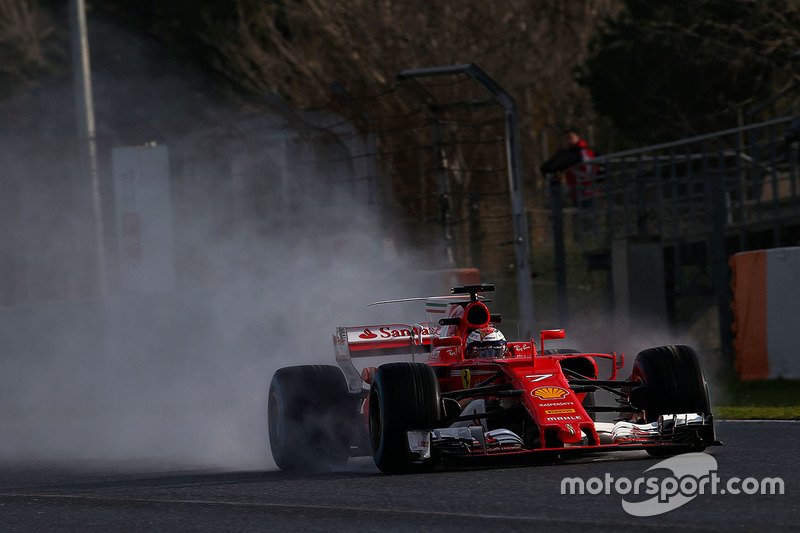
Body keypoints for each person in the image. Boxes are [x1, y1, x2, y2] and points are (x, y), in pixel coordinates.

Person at [540, 128, 598, 208]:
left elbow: (589, 170)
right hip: (576, 192)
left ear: (578, 137)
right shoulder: (569, 153)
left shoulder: (583, 151)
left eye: (571, 137)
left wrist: (573, 169)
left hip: (587, 191)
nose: (568, 140)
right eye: (566, 138)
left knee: (588, 214)